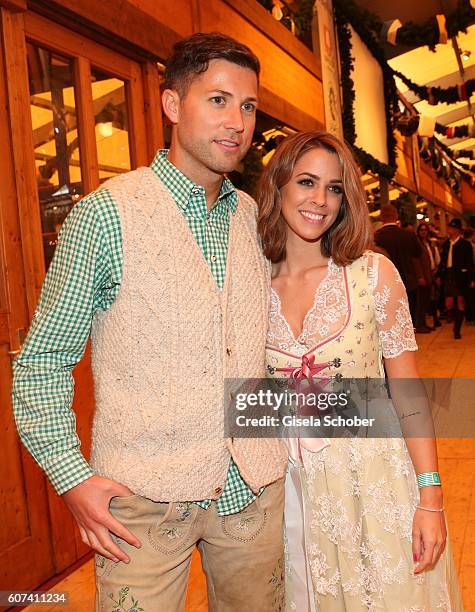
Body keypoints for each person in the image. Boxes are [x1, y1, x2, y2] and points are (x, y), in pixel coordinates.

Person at [12, 33, 287, 611]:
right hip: (140, 502)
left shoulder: (254, 218)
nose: (236, 121)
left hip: (252, 489)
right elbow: (41, 363)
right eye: (217, 100)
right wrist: (71, 478)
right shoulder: (105, 215)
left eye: (247, 105)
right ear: (171, 105)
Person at [258, 131, 462, 611]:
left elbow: (408, 394)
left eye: (334, 188)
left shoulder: (373, 274)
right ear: (278, 187)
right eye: (307, 182)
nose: (320, 200)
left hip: (375, 486)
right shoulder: (250, 280)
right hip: (289, 493)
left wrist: (430, 497)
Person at [374, 204, 424, 326]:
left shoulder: (376, 236)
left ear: (381, 218)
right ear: (396, 216)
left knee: (389, 319)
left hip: (385, 283)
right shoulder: (408, 235)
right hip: (409, 281)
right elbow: (418, 253)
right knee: (409, 316)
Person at [438, 218, 474, 339]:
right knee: (449, 303)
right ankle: (454, 319)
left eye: (452, 228)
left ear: (457, 230)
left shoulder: (465, 244)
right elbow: (442, 261)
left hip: (460, 276)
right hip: (448, 274)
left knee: (460, 301)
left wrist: (471, 279)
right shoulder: (447, 244)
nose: (449, 230)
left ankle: (456, 329)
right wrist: (439, 275)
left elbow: (470, 263)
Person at [416, 222, 441, 331]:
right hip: (423, 276)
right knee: (421, 302)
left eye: (425, 230)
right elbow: (416, 262)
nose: (424, 232)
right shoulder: (417, 244)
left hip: (430, 275)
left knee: (427, 301)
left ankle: (424, 324)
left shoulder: (429, 244)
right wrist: (420, 277)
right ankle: (420, 325)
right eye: (421, 230)